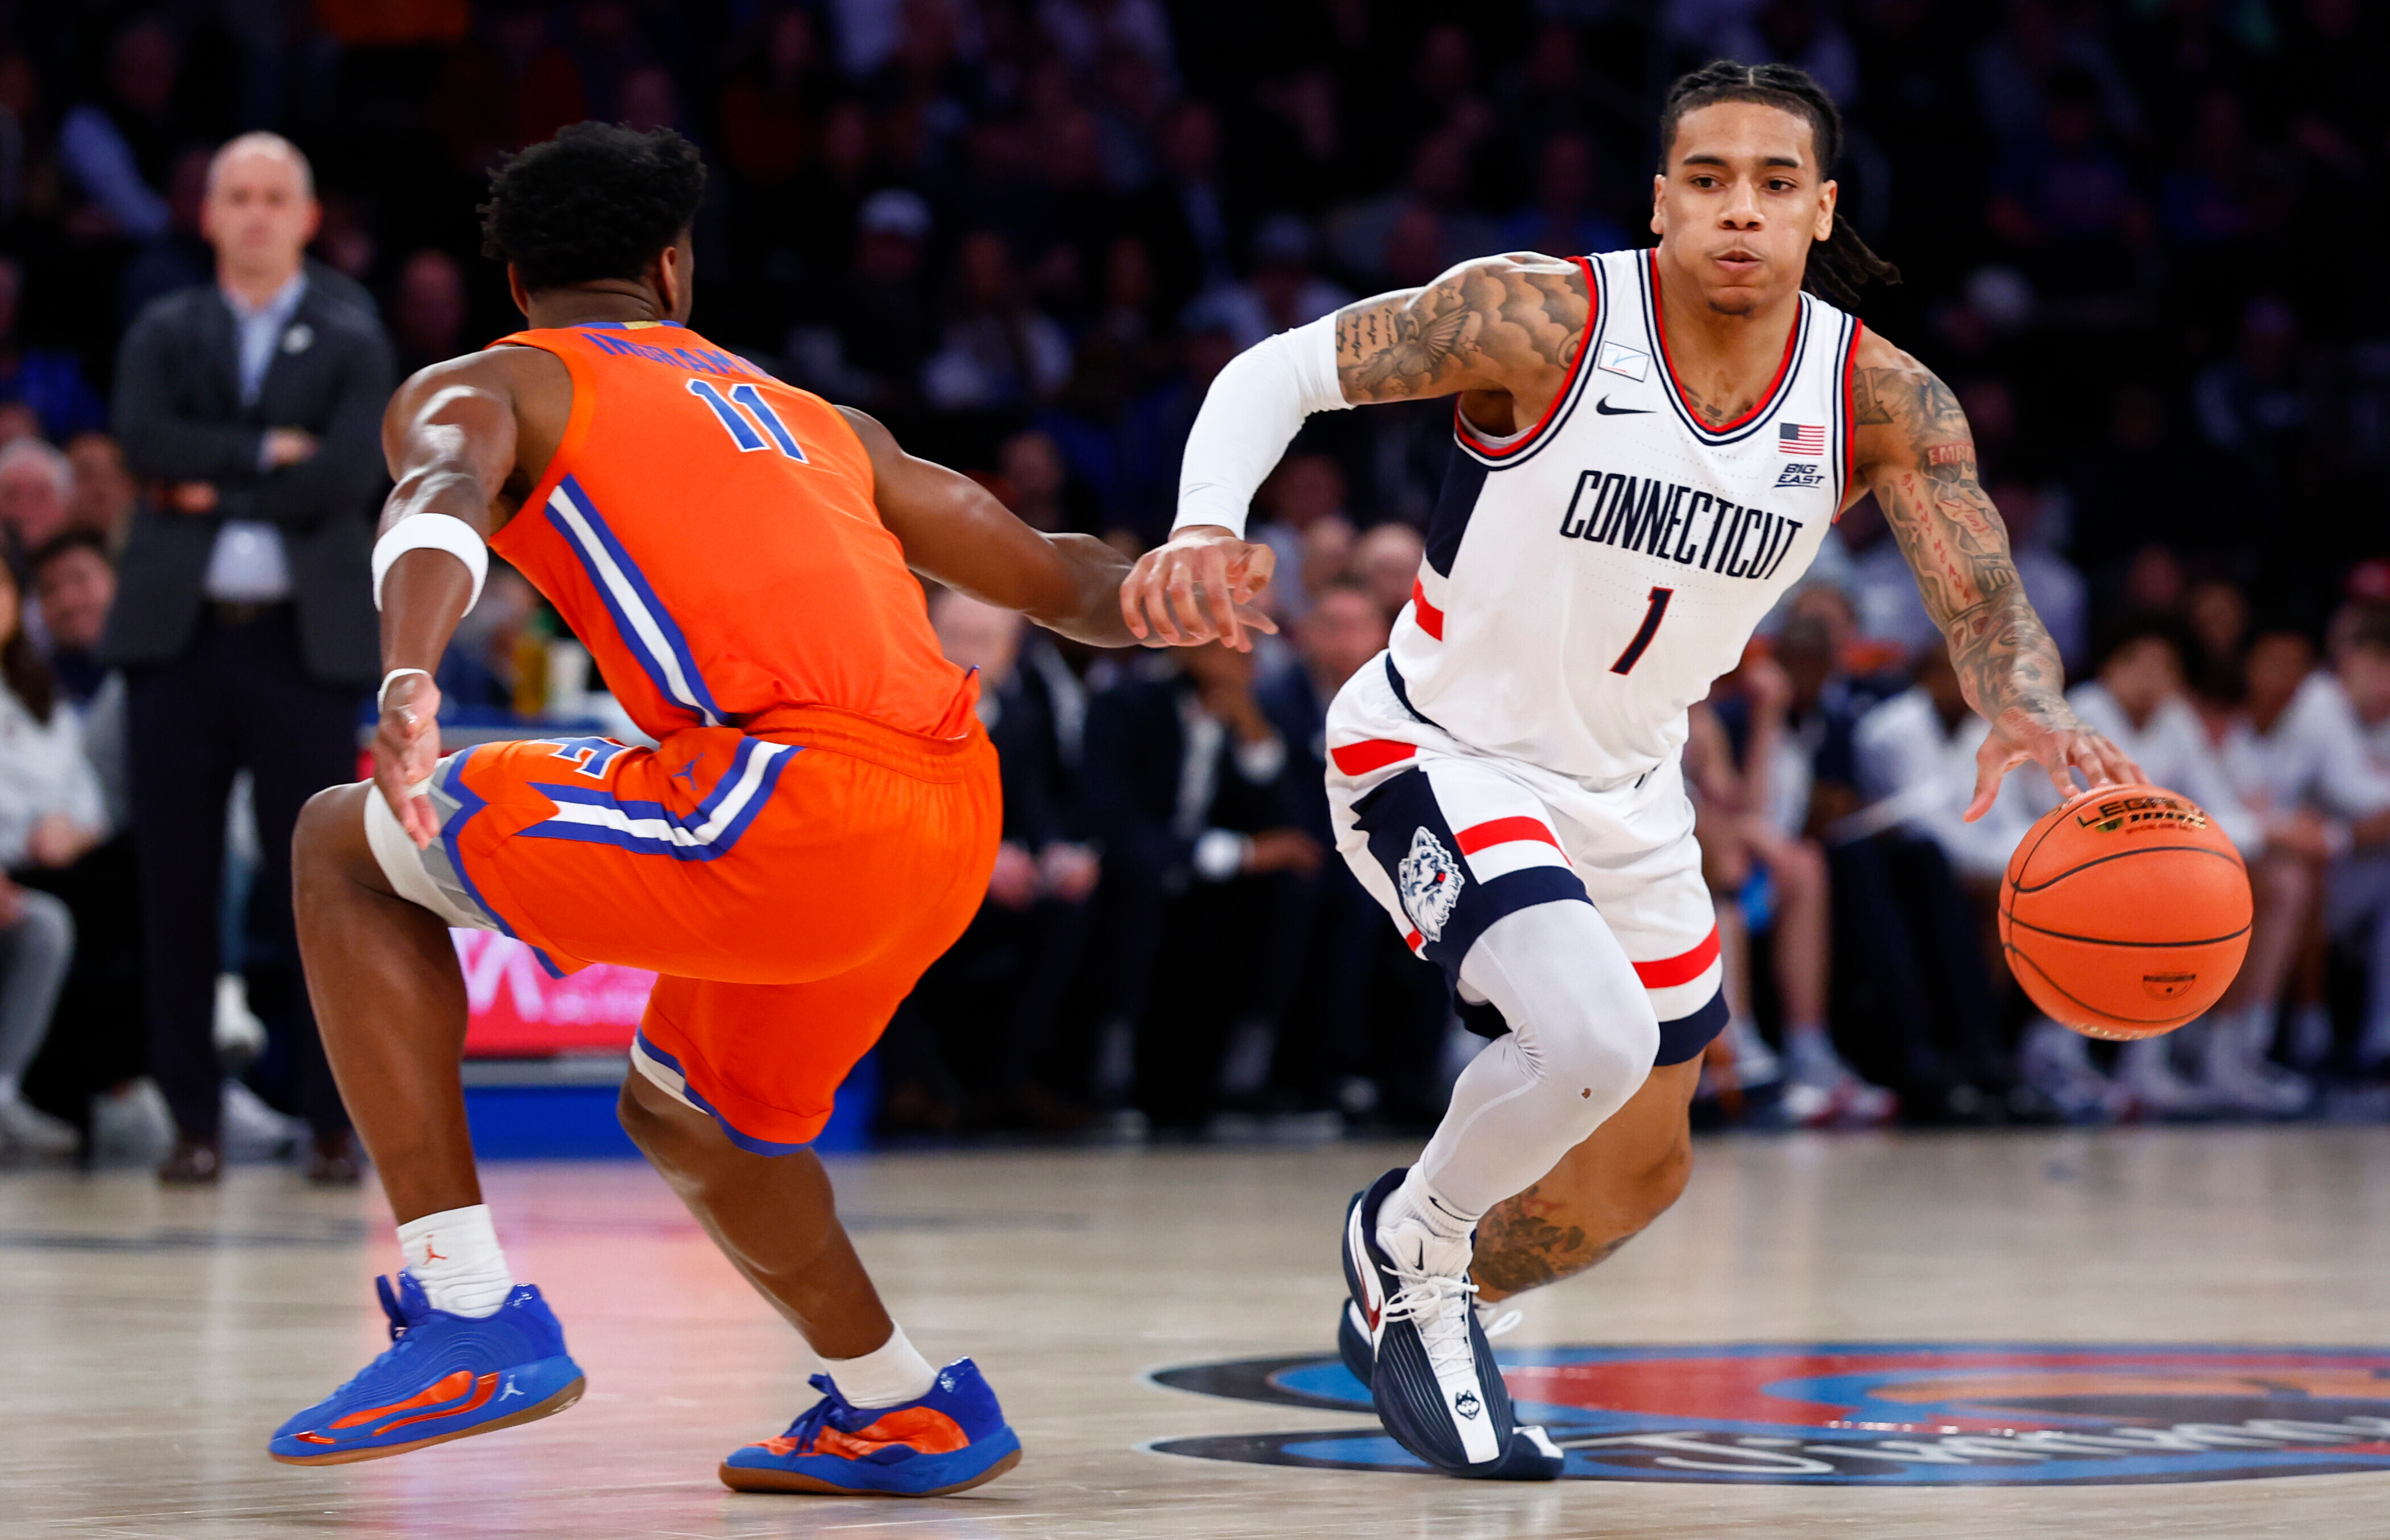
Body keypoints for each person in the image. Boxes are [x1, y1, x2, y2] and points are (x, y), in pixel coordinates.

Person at [1121, 61, 2138, 1480]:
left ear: (1821, 209)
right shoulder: (1543, 316)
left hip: (1632, 795)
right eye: (1707, 180)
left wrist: (2025, 707)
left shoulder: (1879, 396)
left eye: (1775, 185)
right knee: (1587, 1039)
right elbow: (1276, 370)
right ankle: (1405, 1249)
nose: (1739, 212)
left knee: (1638, 1174)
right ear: (1659, 198)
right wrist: (1199, 523)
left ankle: (1432, 1292)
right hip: (1434, 745)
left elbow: (1978, 598)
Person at [273, 124, 1242, 1492]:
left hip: (790, 802)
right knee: (696, 1119)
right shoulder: (812, 417)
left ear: (514, 286)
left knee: (339, 842)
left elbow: (431, 499)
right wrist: (1174, 585)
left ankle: (466, 1310)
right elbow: (1057, 579)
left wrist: (411, 669)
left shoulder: (492, 383)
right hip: (953, 815)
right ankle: (900, 1403)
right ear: (673, 270)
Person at [103, 131, 394, 1185]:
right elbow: (142, 441)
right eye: (239, 195)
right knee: (173, 887)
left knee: (318, 889)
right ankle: (193, 1120)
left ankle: (331, 1118)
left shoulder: (352, 331)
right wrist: (272, 455)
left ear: (308, 217)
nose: (258, 214)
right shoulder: (165, 326)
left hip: (297, 648)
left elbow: (349, 473)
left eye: (277, 197)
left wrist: (208, 482)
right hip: (175, 645)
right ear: (209, 212)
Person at [0, 557, 100, 1153]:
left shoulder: (38, 694)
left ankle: (7, 1094)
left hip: (38, 867)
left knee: (66, 914)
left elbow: (85, 792)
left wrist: (77, 829)